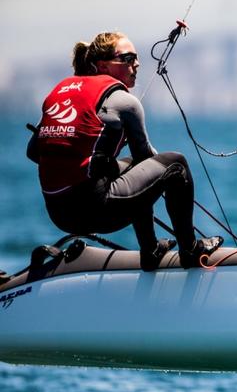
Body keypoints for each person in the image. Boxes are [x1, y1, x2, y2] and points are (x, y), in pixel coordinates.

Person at [27, 31, 222, 271]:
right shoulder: (124, 101)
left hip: (58, 214)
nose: (136, 64)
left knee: (128, 166)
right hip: (96, 210)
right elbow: (146, 159)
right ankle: (192, 251)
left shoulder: (61, 91)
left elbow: (33, 152)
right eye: (128, 58)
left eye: (136, 58)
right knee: (176, 164)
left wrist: (91, 157)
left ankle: (150, 250)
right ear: (102, 65)